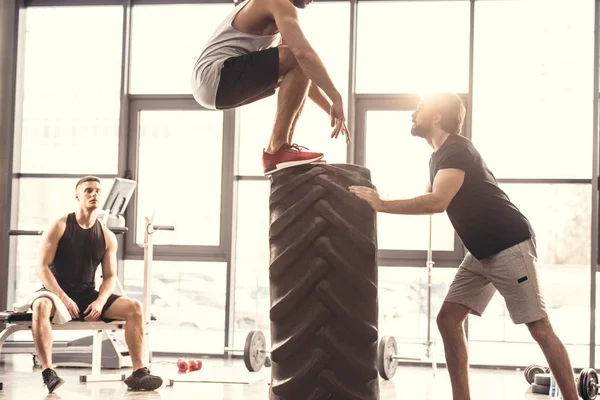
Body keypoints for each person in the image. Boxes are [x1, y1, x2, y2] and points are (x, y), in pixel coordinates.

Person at [349, 93, 580, 400]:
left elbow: (437, 201)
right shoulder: (439, 156)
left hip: (508, 244)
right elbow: (427, 195)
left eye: (420, 109)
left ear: (435, 117)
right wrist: (379, 197)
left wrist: (381, 205)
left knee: (539, 327)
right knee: (448, 319)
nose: (413, 114)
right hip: (481, 252)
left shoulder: (457, 149)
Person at [31, 176, 163, 393]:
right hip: (56, 293)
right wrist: (63, 297)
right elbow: (42, 268)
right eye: (88, 191)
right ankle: (48, 371)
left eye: (97, 191)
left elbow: (110, 276)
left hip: (87, 295)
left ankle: (139, 372)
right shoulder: (60, 225)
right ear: (77, 196)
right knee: (40, 306)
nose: (94, 194)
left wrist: (101, 302)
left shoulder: (107, 235)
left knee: (135, 308)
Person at [191, 0, 350, 175]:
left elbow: (301, 75)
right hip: (215, 75)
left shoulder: (275, 16)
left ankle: (283, 151)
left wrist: (329, 109)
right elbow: (302, 54)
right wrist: (336, 97)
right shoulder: (278, 2)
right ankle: (277, 149)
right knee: (296, 56)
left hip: (210, 86)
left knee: (296, 61)